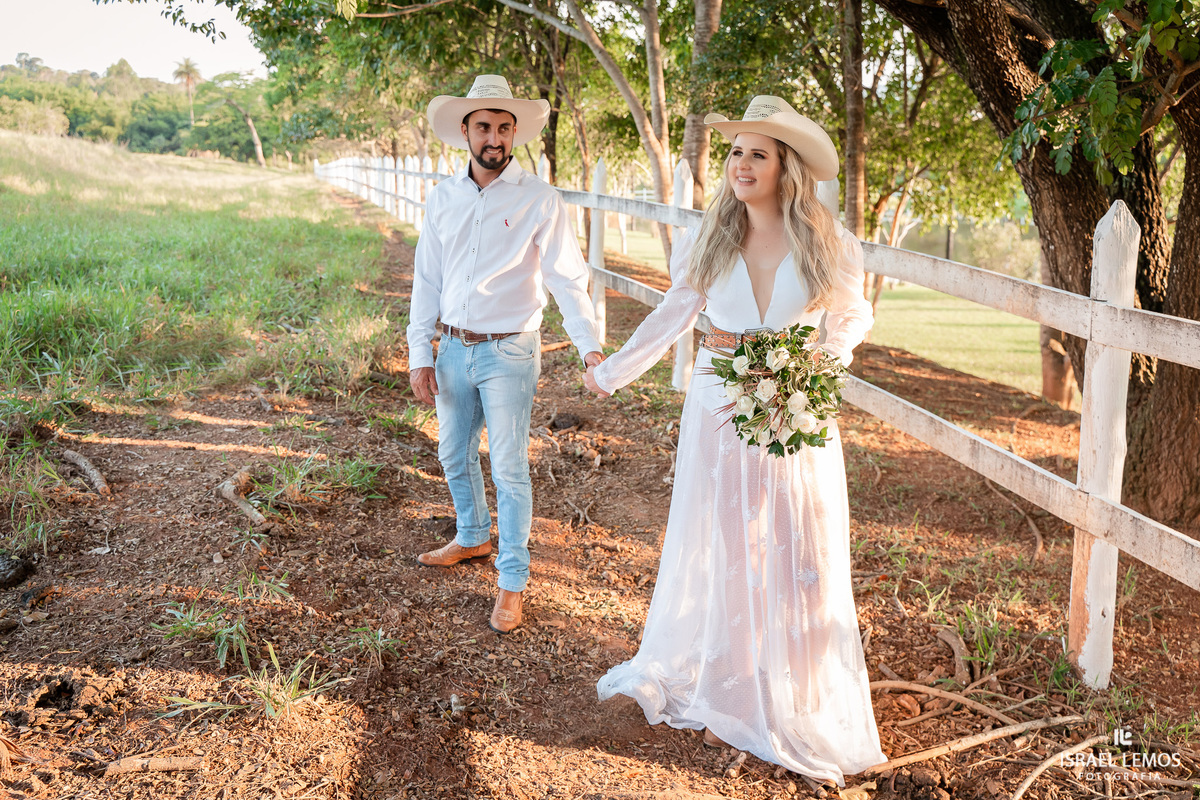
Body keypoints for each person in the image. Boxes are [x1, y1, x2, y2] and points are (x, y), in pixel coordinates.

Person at [583, 96, 886, 786]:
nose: (741, 164)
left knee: (798, 544)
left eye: (758, 153)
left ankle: (802, 690)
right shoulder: (705, 238)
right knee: (728, 537)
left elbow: (852, 314)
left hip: (795, 408)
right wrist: (611, 374)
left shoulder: (829, 241)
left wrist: (818, 370)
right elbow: (672, 315)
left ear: (787, 167)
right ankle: (739, 679)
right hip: (719, 404)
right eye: (735, 152)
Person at [407, 75, 604, 634]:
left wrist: (589, 346)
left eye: (504, 127)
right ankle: (472, 535)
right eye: (484, 126)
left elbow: (568, 279)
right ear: (465, 131)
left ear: (514, 132)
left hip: (509, 351)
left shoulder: (540, 198)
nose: (494, 137)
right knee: (452, 453)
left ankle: (511, 580)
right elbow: (427, 277)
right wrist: (420, 349)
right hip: (451, 347)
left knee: (510, 467)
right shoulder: (443, 197)